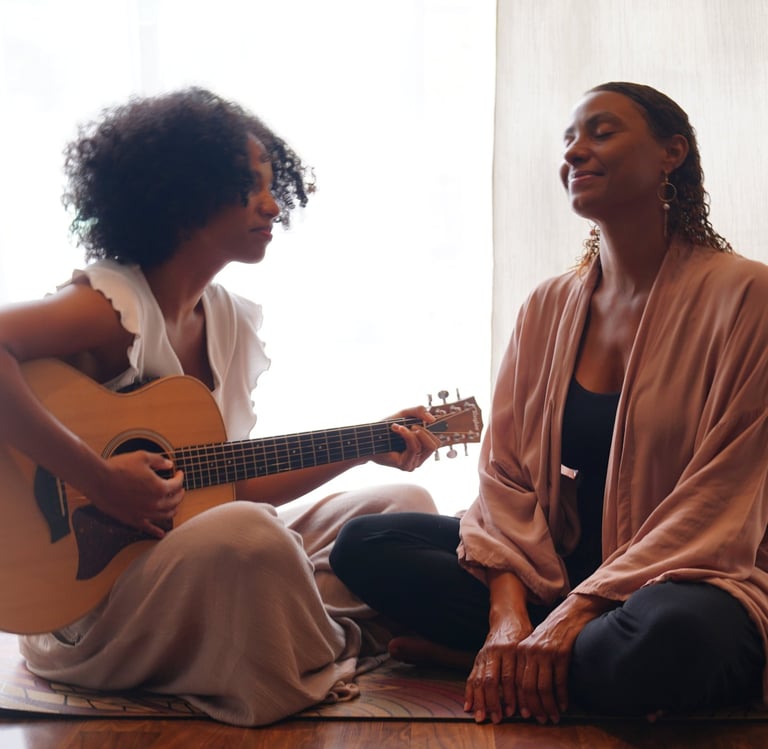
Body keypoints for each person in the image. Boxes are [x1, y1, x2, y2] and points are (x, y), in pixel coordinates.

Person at [0, 87, 442, 726]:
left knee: (401, 510)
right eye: (249, 188)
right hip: (86, 600)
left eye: (271, 186)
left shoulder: (227, 320)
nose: (272, 205)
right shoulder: (109, 307)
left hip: (183, 558)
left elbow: (228, 485)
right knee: (251, 540)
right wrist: (98, 479)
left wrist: (364, 447)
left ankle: (285, 633)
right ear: (183, 201)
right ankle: (325, 641)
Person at [330, 81, 768, 725]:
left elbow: (722, 497)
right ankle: (524, 657)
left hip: (682, 580)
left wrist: (578, 611)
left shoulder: (747, 295)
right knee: (367, 542)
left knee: (668, 644)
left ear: (671, 153)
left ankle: (488, 661)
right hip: (552, 573)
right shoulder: (547, 305)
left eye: (602, 131)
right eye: (568, 140)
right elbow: (504, 475)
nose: (575, 152)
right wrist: (508, 615)